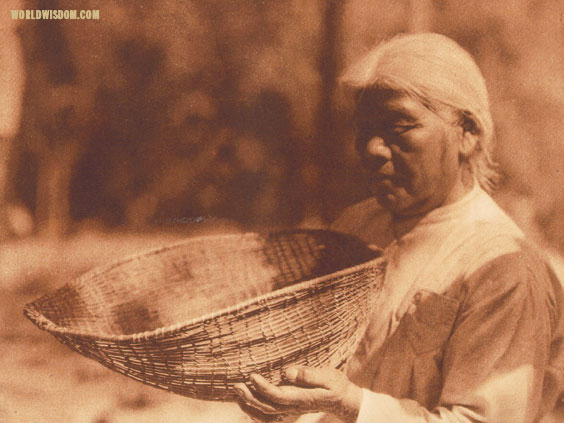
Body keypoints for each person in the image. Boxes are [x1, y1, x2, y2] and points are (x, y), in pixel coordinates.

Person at [233, 33, 564, 423]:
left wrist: (354, 406)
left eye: (400, 126)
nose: (372, 148)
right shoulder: (356, 226)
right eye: (365, 128)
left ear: (468, 133)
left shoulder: (502, 269)